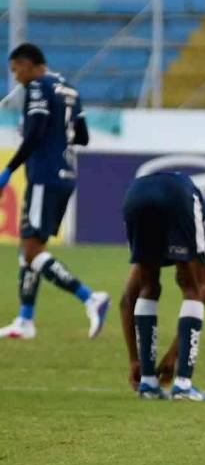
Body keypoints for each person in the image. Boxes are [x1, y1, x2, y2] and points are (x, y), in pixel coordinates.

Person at [0, 43, 110, 340]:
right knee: (31, 247)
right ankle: (25, 320)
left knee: (32, 251)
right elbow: (83, 137)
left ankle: (90, 298)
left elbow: (35, 133)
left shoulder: (37, 86)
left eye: (15, 69)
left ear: (28, 63)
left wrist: (8, 170)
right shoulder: (70, 88)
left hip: (44, 175)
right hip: (65, 176)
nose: (15, 77)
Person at [120, 171, 205, 401]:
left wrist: (136, 360)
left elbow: (127, 299)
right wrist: (174, 357)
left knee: (148, 286)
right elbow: (201, 295)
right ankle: (183, 385)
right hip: (177, 196)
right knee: (191, 288)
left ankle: (147, 383)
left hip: (134, 195)